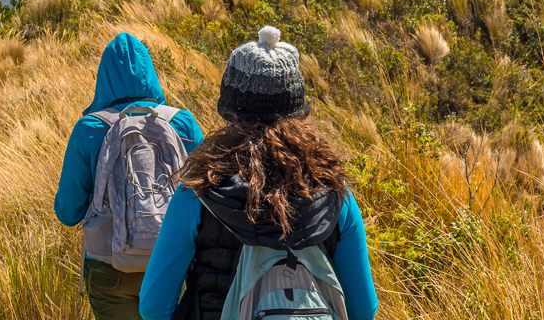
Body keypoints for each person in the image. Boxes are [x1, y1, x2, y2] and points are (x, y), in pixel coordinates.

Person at [138, 26, 378, 320]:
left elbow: (153, 306)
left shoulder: (198, 194)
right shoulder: (335, 195)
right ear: (298, 109)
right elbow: (364, 310)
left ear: (229, 109)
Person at [57, 32, 207, 320]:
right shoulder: (184, 123)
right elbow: (207, 196)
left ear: (104, 76)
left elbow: (67, 212)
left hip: (109, 266)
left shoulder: (89, 128)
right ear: (151, 72)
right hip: (172, 263)